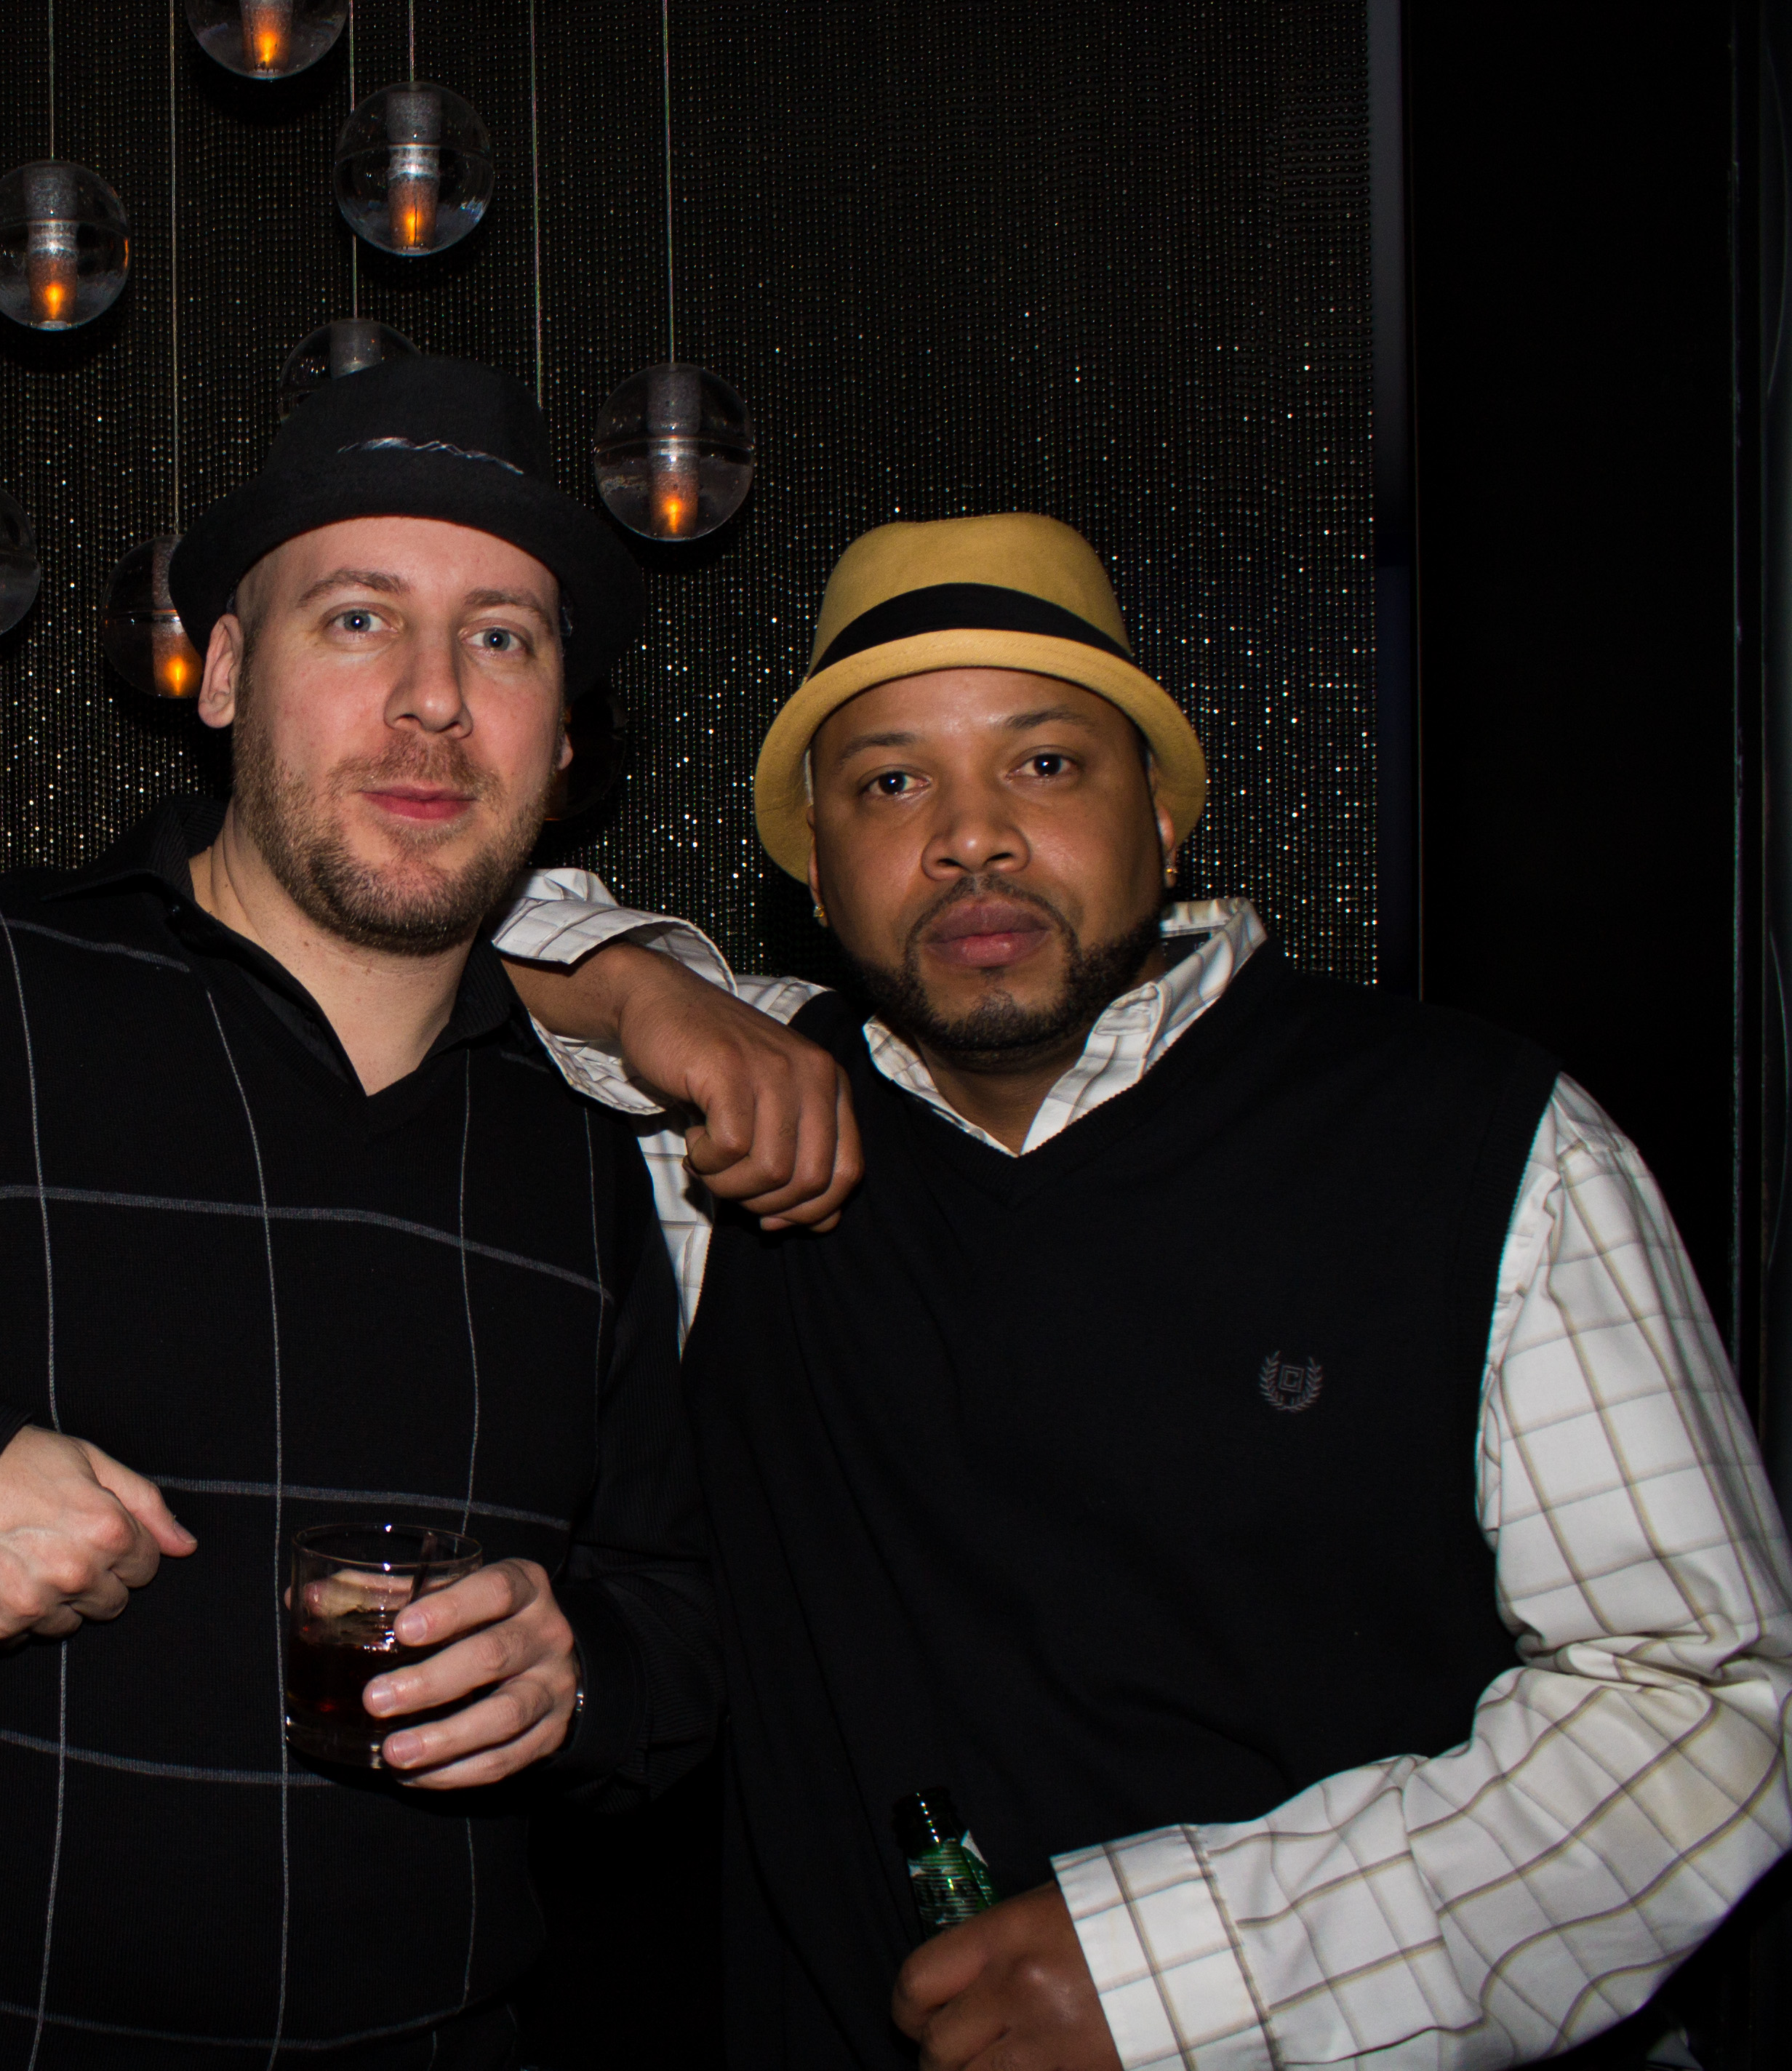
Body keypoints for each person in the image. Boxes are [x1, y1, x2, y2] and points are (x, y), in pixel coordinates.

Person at [0, 355, 856, 2069]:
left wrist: (576, 1671)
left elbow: (685, 1613)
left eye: (503, 639)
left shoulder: (586, 1160)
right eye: (358, 620)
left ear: (566, 735)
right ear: (219, 673)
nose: (434, 701)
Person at [505, 513, 1792, 2071]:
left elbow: (1703, 1703)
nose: (972, 837)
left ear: (1168, 820)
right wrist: (638, 984)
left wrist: (1179, 1974)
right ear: (819, 877)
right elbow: (378, 904)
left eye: (1045, 763)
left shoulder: (1473, 1137)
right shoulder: (738, 1137)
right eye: (891, 783)